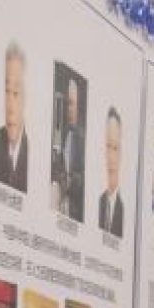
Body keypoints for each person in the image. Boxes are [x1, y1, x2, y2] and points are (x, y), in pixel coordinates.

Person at [0, 43, 29, 191]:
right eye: (6, 91)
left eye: (15, 93)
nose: (10, 106)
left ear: (27, 97)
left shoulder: (33, 151)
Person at [52, 75, 85, 222]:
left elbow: (83, 179)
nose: (71, 109)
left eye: (73, 104)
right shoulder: (59, 134)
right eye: (68, 104)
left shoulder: (82, 141)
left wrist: (70, 181)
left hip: (73, 210)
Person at [97, 108, 126, 239]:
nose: (111, 157)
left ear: (121, 153)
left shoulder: (124, 210)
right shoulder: (99, 202)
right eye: (107, 146)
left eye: (115, 148)